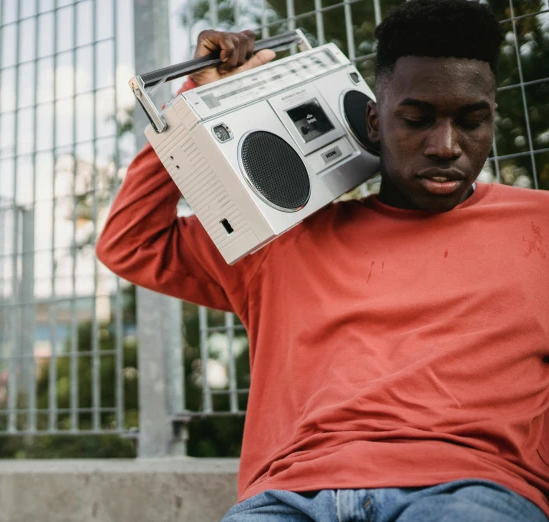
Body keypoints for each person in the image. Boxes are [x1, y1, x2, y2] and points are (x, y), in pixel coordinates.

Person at [95, 0, 549, 520]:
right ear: (373, 122)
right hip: (291, 498)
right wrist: (199, 96)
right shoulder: (282, 239)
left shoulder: (539, 228)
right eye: (418, 120)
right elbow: (130, 242)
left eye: (471, 121)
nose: (446, 146)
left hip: (468, 491)